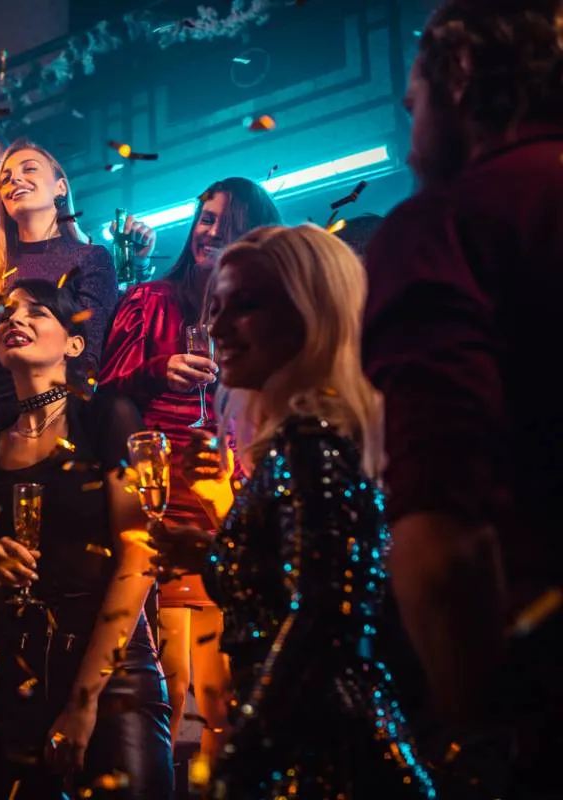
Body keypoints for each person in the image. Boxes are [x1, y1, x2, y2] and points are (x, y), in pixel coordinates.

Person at [362, 2, 563, 795]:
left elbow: (445, 539)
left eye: (413, 100)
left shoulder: (447, 227)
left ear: (460, 73)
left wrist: (474, 737)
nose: (408, 122)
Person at [195, 223, 436, 798]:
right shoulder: (302, 443)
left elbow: (326, 623)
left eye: (245, 306)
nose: (217, 328)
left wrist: (241, 761)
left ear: (311, 315)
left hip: (328, 760)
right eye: (216, 307)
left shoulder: (313, 446)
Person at [0, 278, 173, 799]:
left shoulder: (107, 415)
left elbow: (140, 552)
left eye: (36, 312)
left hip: (112, 666)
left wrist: (84, 701)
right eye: (6, 313)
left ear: (74, 344)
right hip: (20, 668)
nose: (15, 319)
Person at [98, 176, 280, 760]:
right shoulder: (149, 300)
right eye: (205, 218)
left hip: (230, 499)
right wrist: (159, 367)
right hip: (162, 497)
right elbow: (105, 397)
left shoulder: (263, 320)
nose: (210, 231)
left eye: (227, 224)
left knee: (227, 701)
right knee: (170, 691)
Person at [0, 139, 119, 426]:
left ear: (60, 188)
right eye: (6, 178)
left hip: (60, 421)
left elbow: (87, 361)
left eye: (29, 169)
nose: (14, 179)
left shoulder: (89, 258)